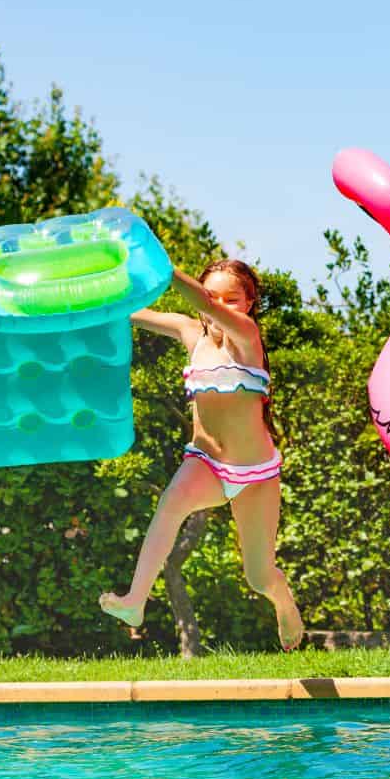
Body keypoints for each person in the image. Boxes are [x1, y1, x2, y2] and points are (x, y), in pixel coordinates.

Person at [100, 259, 304, 649]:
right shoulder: (190, 332)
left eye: (233, 299)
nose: (222, 306)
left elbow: (208, 306)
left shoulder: (246, 335)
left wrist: (164, 267)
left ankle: (284, 604)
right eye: (214, 296)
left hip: (255, 474)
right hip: (206, 462)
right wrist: (93, 299)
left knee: (258, 577)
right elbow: (131, 313)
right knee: (170, 504)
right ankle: (134, 601)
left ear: (249, 304)